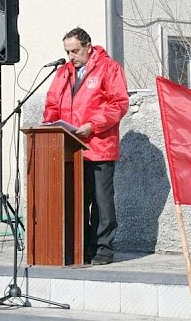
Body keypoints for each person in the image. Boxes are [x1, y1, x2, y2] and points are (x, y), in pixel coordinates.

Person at [42, 27, 129, 265]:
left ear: (88, 46)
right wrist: (50, 124)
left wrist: (92, 125)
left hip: (98, 145)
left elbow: (118, 104)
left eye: (75, 51)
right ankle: (81, 246)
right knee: (78, 199)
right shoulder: (63, 72)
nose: (71, 56)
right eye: (67, 52)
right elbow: (52, 102)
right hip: (71, 148)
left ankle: (103, 248)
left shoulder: (109, 68)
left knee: (101, 202)